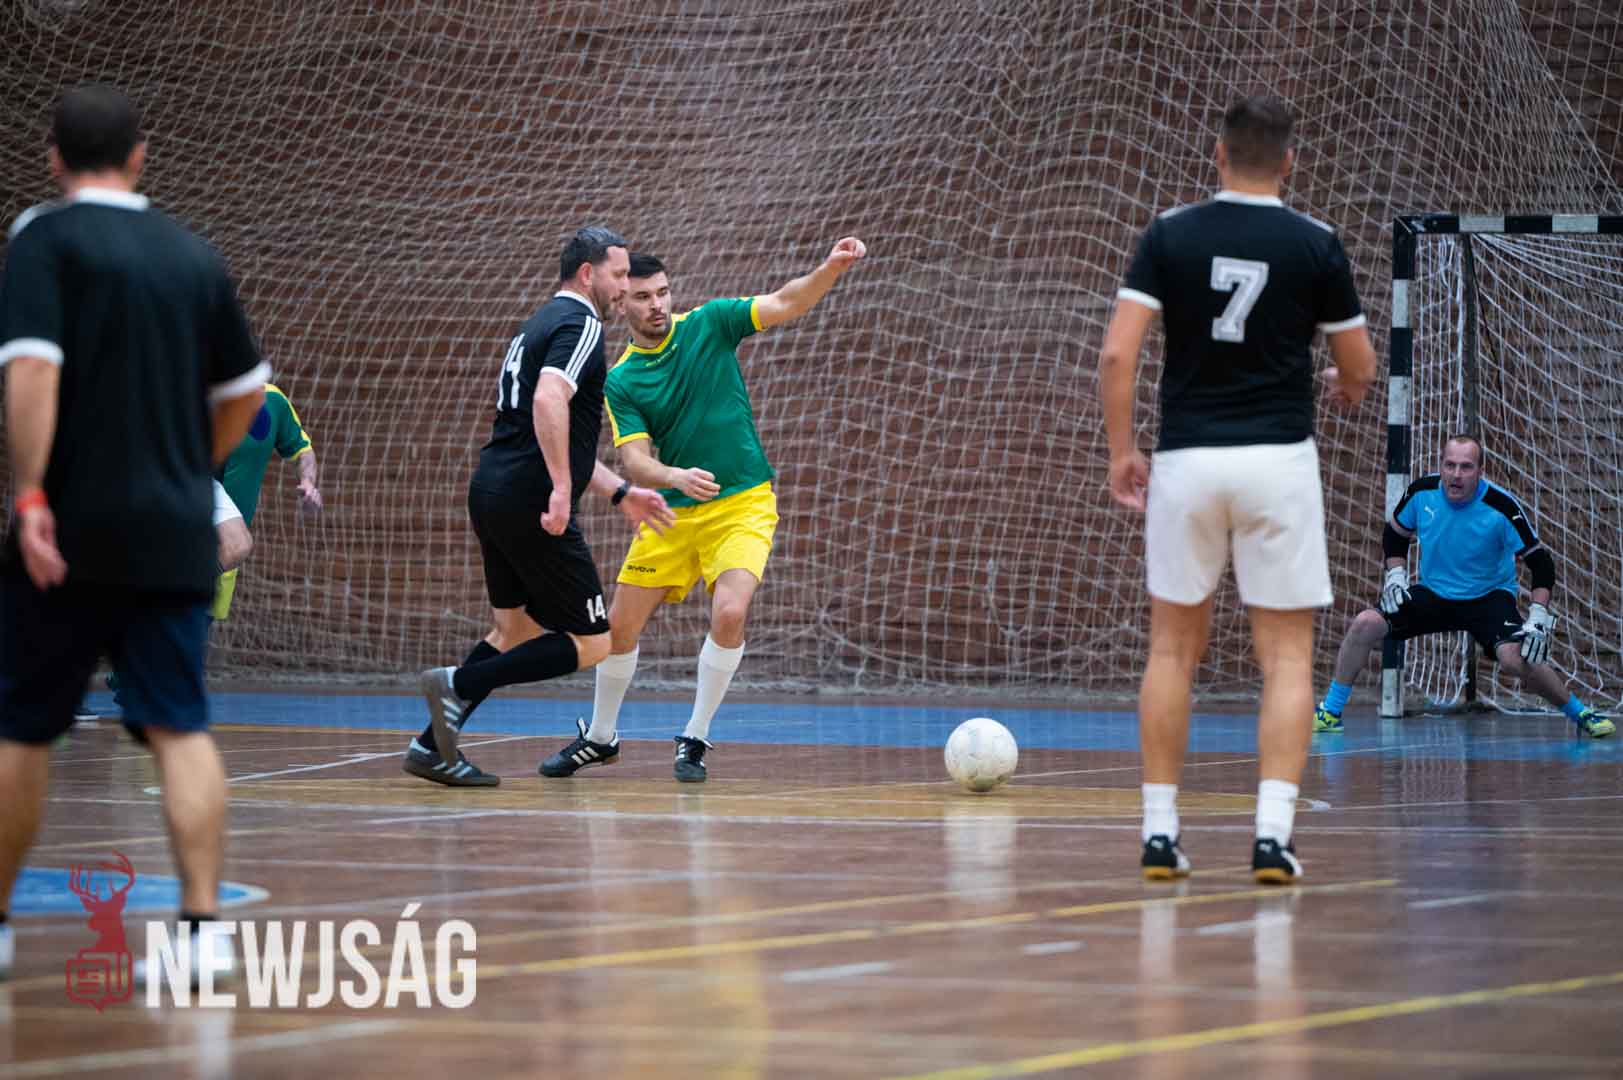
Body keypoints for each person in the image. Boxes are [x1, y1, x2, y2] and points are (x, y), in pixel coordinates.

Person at [0, 84, 268, 982]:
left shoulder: (43, 237)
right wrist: (193, 465)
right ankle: (201, 931)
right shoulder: (192, 254)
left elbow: (33, 369)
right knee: (180, 725)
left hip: (70, 526)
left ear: (52, 157)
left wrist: (30, 495)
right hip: (172, 529)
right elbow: (247, 393)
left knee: (23, 729)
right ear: (140, 156)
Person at [1098, 95, 1377, 885]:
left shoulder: (1169, 234)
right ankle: (1270, 839)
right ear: (1288, 162)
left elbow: (1117, 356)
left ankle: (1159, 834)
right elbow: (1358, 364)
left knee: (1170, 649)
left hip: (1187, 461)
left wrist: (1122, 452)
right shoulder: (1315, 243)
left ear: (1216, 154)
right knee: (1285, 657)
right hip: (1277, 463)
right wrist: (1346, 383)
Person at [538, 238, 867, 784]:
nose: (657, 305)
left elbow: (786, 302)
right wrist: (674, 477)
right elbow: (634, 460)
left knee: (730, 613)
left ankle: (694, 736)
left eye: (663, 292)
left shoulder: (710, 323)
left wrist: (830, 268)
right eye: (643, 297)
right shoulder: (622, 379)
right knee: (617, 630)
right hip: (671, 513)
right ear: (622, 303)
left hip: (742, 503)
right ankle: (600, 737)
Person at [405, 226, 674, 787]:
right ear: (588, 274)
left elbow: (559, 434)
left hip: (493, 490)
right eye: (620, 275)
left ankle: (430, 747)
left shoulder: (538, 324)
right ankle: (455, 683)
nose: (625, 287)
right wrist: (559, 489)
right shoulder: (581, 324)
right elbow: (550, 401)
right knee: (594, 642)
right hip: (531, 499)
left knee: (514, 630)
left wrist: (618, 491)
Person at [1313, 434, 1613, 738]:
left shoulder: (1501, 507)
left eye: (1466, 467)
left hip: (1488, 598)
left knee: (1516, 658)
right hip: (1434, 593)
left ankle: (1581, 714)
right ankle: (1330, 712)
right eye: (1450, 465)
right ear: (1441, 466)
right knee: (1364, 623)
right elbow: (1395, 534)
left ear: (1480, 471)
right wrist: (1396, 576)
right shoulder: (1421, 493)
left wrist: (1537, 617)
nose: (1456, 474)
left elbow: (1541, 564)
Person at [211, 382, 321, 621]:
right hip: (185, 533)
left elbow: (303, 451)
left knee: (198, 629)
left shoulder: (272, 400)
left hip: (227, 553)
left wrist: (308, 481)